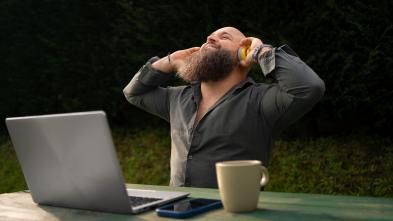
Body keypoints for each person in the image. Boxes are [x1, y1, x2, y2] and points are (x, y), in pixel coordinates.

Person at [123, 27, 325, 188]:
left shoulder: (261, 101)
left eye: (224, 37)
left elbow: (309, 87)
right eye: (209, 38)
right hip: (178, 212)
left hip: (235, 213)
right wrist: (170, 61)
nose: (209, 39)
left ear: (243, 55)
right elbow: (134, 93)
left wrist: (261, 52)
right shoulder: (177, 98)